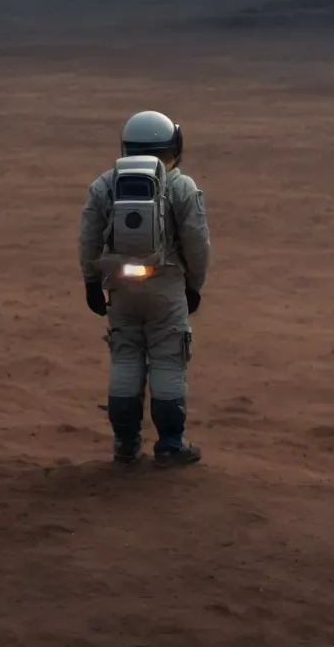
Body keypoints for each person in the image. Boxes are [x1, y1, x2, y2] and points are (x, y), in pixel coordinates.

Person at [79, 110, 212, 467]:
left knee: (125, 357)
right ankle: (170, 443)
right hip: (166, 285)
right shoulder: (181, 186)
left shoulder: (105, 184)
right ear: (174, 147)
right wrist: (194, 286)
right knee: (168, 360)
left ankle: (125, 442)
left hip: (121, 285)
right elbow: (197, 244)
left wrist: (92, 283)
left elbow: (89, 239)